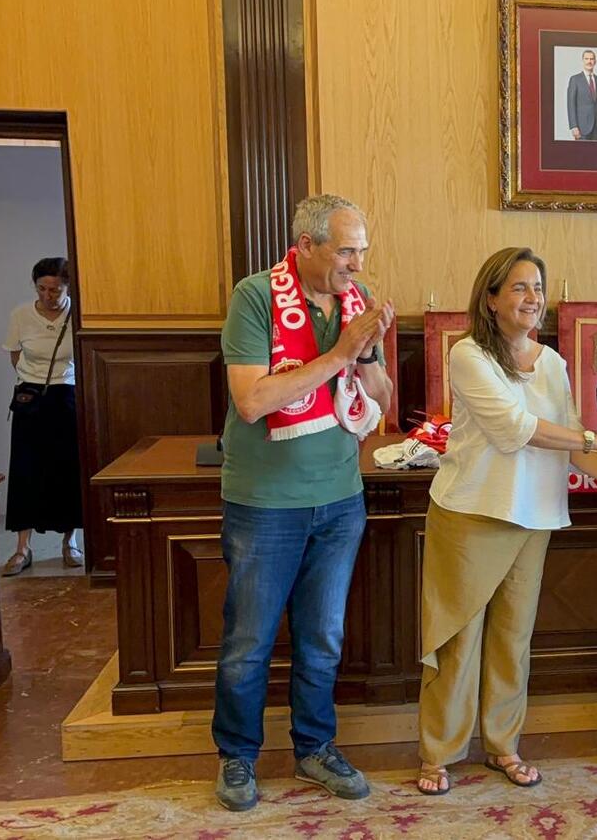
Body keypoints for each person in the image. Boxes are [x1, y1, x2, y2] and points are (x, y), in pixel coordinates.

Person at [415, 248, 597, 795]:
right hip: (473, 513)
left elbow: (569, 443)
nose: (532, 298)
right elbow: (514, 428)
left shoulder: (552, 363)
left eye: (538, 287)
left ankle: (503, 745)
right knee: (459, 640)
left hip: (535, 518)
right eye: (519, 287)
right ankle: (440, 752)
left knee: (513, 639)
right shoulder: (469, 355)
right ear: (491, 298)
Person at [212, 194, 395, 812]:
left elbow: (381, 400)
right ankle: (237, 757)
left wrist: (366, 352)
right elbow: (251, 401)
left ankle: (315, 748)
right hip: (266, 503)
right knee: (249, 640)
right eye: (347, 250)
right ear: (307, 245)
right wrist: (340, 352)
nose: (357, 263)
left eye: (362, 250)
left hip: (340, 499)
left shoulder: (356, 303)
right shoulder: (255, 297)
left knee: (322, 638)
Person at [0, 257, 82, 576]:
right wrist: (31, 380)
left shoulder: (79, 312)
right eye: (42, 289)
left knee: (67, 468)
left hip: (67, 394)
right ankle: (22, 548)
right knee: (26, 468)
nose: (49, 295)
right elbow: (14, 353)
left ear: (68, 287)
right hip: (31, 397)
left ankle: (70, 541)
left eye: (56, 289)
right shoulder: (21, 314)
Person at [567, 49, 597, 141]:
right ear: (583, 61)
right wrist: (573, 126)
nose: (589, 61)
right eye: (586, 59)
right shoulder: (575, 80)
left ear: (595, 62)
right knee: (580, 154)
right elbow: (571, 104)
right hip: (581, 127)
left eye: (592, 59)